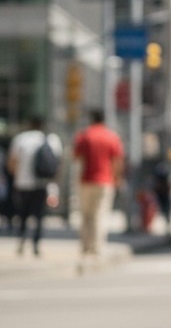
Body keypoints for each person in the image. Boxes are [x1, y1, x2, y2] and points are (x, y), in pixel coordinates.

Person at [73, 109, 124, 262]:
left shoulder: (84, 135)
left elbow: (77, 157)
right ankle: (97, 248)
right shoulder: (111, 136)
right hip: (105, 181)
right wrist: (117, 178)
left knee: (86, 215)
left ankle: (85, 247)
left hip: (86, 180)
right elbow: (117, 160)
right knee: (100, 214)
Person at [7, 116, 62, 257]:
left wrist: (16, 177)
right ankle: (36, 244)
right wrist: (54, 185)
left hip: (23, 183)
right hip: (42, 183)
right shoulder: (51, 140)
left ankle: (21, 241)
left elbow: (12, 163)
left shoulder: (21, 139)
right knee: (39, 216)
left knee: (23, 214)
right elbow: (57, 166)